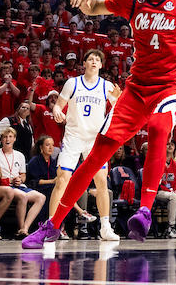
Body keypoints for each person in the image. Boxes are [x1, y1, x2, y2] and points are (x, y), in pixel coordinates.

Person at [23, 0, 176, 248]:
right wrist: (85, 0)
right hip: (135, 89)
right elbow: (96, 6)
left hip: (168, 87)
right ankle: (53, 225)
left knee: (160, 130)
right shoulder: (132, 1)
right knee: (96, 157)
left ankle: (145, 210)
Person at [42, 48, 119, 241]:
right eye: (90, 59)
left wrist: (118, 98)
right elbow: (58, 104)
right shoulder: (72, 83)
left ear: (101, 65)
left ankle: (105, 227)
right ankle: (52, 226)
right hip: (74, 137)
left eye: (97, 60)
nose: (94, 62)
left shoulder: (106, 85)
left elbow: (119, 108)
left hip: (95, 140)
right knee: (62, 181)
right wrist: (57, 111)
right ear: (84, 63)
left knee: (102, 182)